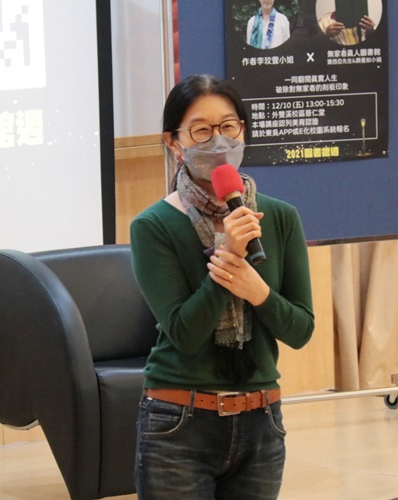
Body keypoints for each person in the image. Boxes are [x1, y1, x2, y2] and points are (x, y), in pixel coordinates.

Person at [130, 74, 315, 499]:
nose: (218, 141)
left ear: (243, 132)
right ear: (174, 142)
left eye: (229, 127)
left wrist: (258, 292)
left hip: (261, 420)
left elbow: (301, 330)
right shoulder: (153, 226)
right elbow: (185, 334)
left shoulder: (279, 217)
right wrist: (228, 258)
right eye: (201, 130)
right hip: (178, 422)